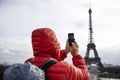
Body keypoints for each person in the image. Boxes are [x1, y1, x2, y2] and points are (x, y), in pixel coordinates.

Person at [25, 28, 90, 80]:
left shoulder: (28, 63)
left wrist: (65, 52)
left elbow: (47, 60)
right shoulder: (65, 68)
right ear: (54, 43)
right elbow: (85, 76)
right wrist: (76, 55)